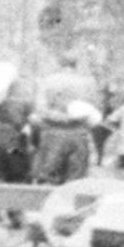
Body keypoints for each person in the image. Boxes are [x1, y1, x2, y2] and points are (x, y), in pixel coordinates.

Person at [32, 56, 100, 185]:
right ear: (76, 65)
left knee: (48, 178)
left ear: (59, 64)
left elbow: (40, 109)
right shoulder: (88, 83)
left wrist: (59, 117)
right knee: (76, 182)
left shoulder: (47, 81)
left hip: (53, 133)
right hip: (79, 134)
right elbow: (95, 109)